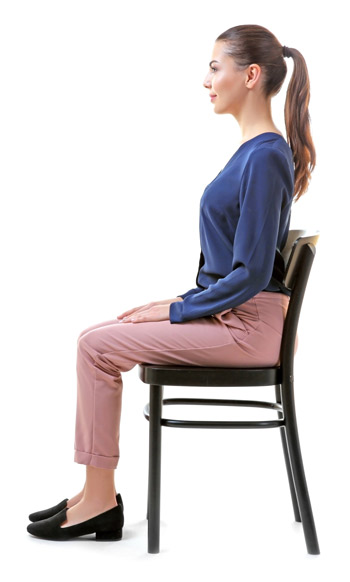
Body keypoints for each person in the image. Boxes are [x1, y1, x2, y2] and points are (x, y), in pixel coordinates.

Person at [27, 23, 316, 541]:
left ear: (250, 76)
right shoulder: (257, 151)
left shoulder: (267, 156)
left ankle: (98, 500)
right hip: (236, 318)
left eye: (214, 67)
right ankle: (93, 492)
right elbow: (237, 267)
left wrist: (180, 310)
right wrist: (181, 300)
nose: (206, 80)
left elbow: (249, 275)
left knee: (95, 346)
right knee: (102, 334)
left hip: (246, 328)